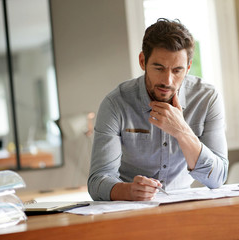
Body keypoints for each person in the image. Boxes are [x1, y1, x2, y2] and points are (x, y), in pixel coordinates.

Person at [88, 18, 228, 201]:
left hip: (184, 207)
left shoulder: (207, 98)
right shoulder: (116, 104)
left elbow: (218, 178)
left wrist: (182, 131)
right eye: (159, 68)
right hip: (131, 209)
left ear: (188, 67)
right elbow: (97, 181)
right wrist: (128, 190)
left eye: (177, 70)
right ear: (142, 61)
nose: (167, 81)